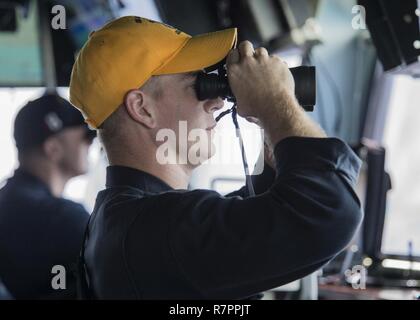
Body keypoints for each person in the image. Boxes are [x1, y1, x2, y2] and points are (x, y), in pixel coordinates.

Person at [69, 16, 363, 299]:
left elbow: (239, 223)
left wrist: (274, 133)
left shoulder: (121, 219)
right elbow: (327, 210)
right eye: (197, 85)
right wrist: (275, 104)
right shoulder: (156, 230)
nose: (217, 100)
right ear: (142, 108)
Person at [0, 93, 95, 299]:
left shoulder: (8, 202)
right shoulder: (61, 218)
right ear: (53, 148)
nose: (91, 144)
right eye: (85, 138)